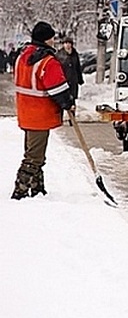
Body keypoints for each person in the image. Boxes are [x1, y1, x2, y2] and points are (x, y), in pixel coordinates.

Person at [11, 21, 75, 200]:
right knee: (34, 157)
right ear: (46, 39)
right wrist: (68, 102)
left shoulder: (23, 56)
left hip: (26, 112)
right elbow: (57, 87)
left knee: (34, 152)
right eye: (52, 38)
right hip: (39, 113)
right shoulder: (46, 60)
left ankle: (37, 188)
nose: (54, 41)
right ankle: (20, 191)